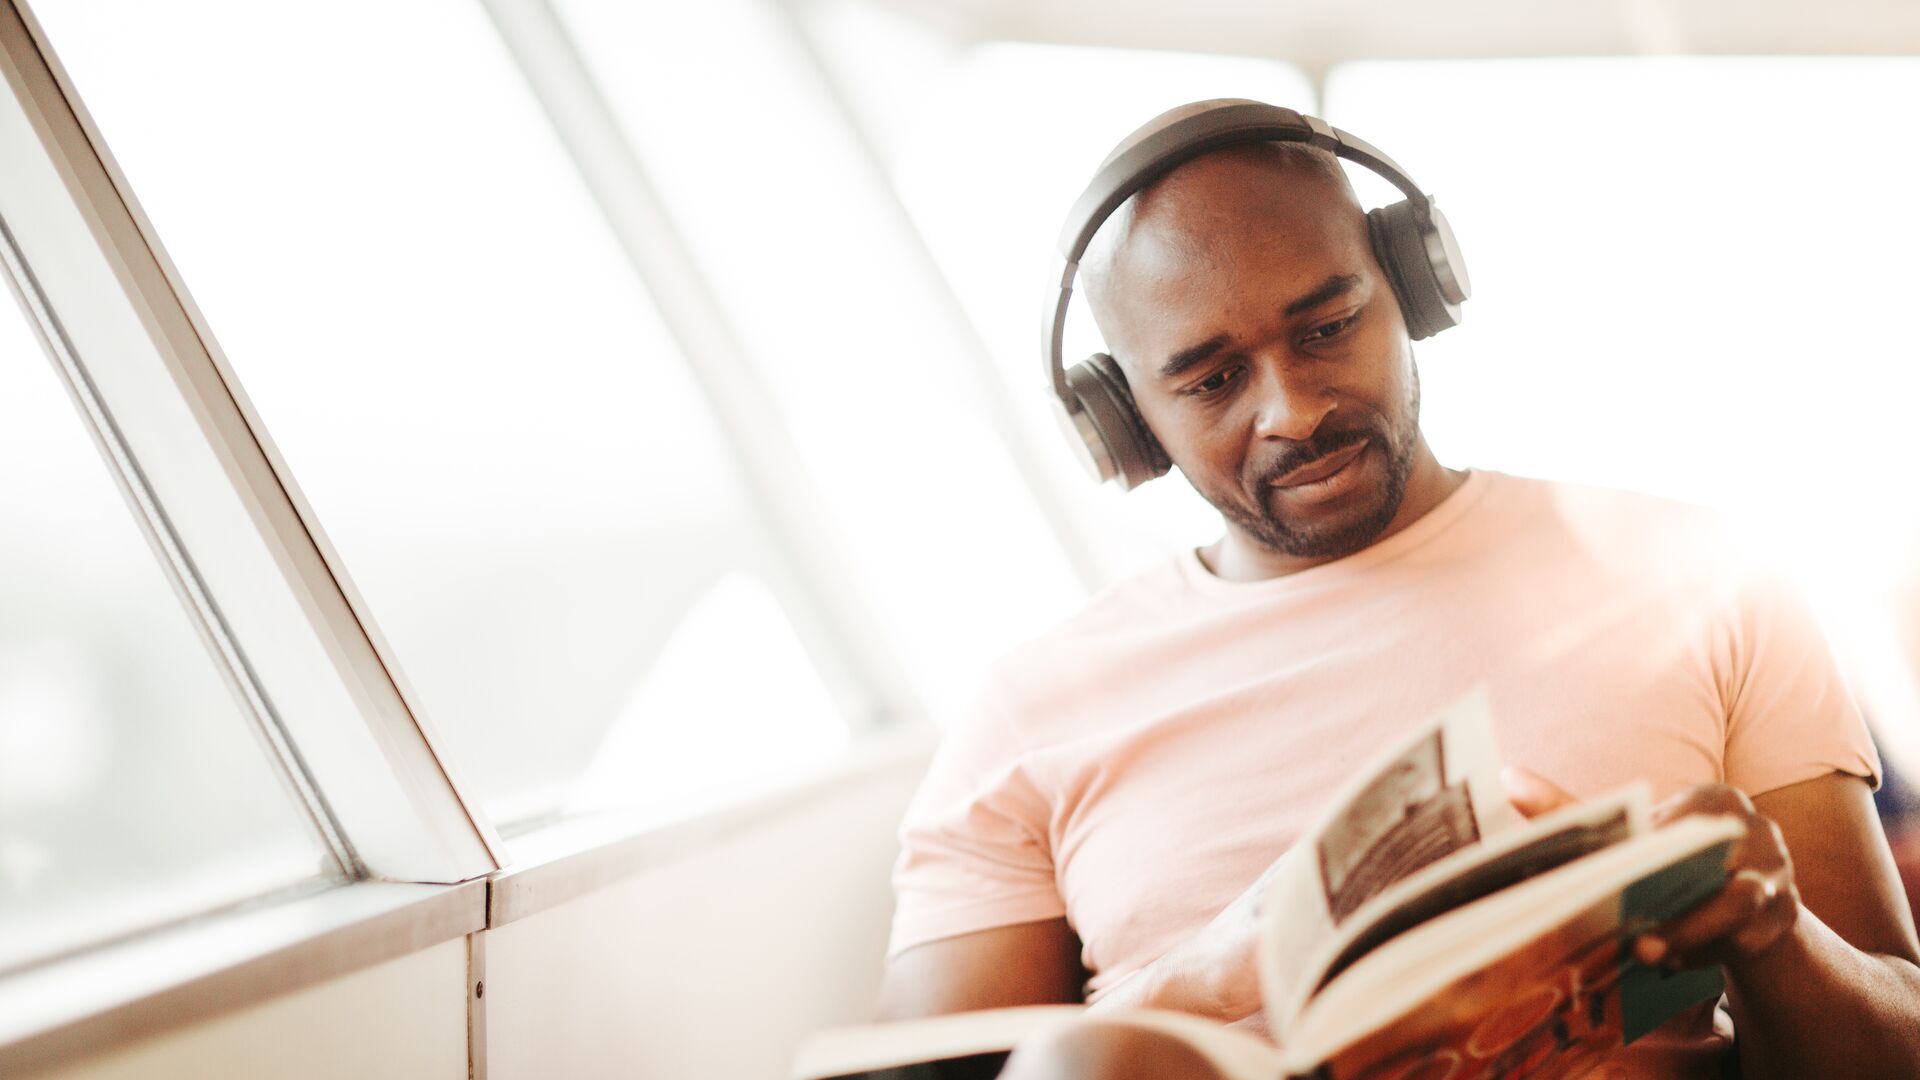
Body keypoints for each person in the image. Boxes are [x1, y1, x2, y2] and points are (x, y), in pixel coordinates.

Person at [874, 101, 1920, 1079]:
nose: (1291, 409)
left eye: (1327, 326)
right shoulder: (1028, 713)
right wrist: (1207, 979)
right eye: (1211, 380)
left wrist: (1773, 933)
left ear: (1414, 287)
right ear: (1128, 421)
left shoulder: (1701, 575)